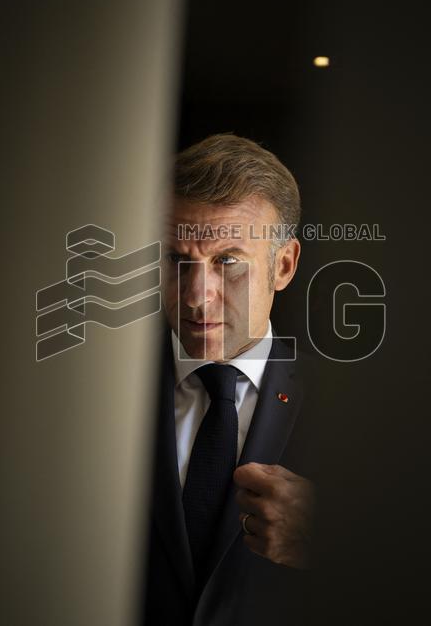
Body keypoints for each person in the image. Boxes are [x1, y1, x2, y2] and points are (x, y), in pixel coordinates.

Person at [141, 134, 317, 625]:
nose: (197, 297)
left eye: (228, 262)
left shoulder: (358, 407)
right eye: (177, 260)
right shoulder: (98, 396)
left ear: (283, 265)